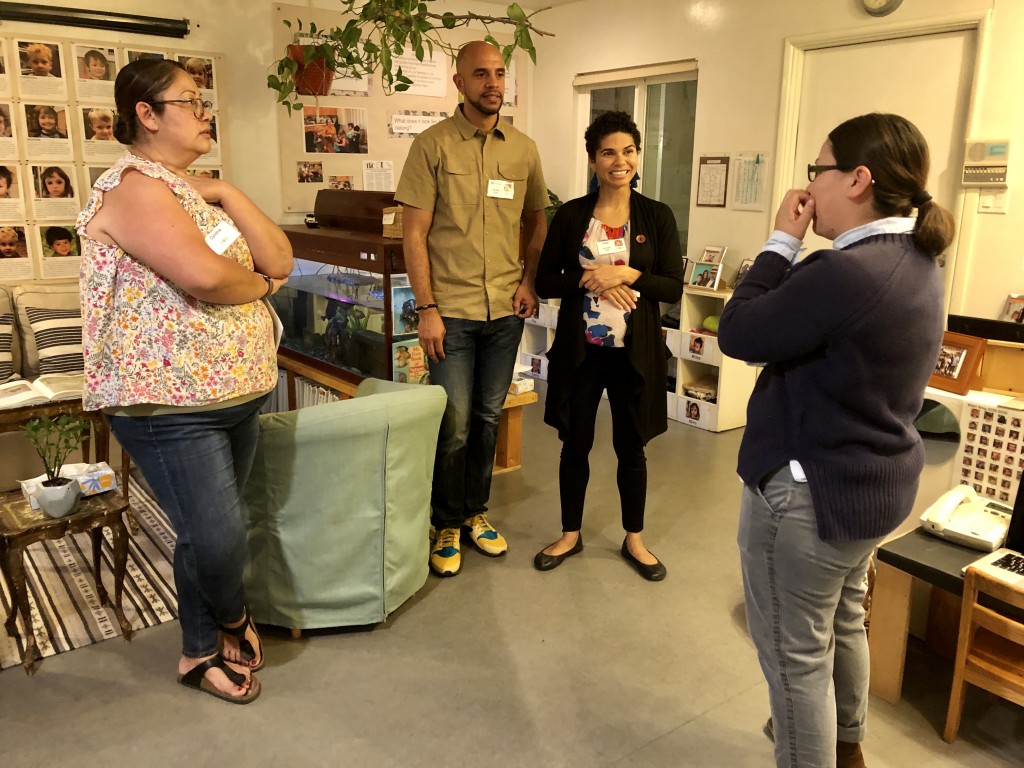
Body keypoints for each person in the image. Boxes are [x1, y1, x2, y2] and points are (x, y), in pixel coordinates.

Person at [717, 113, 955, 768]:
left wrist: (780, 241)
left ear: (857, 180)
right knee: (844, 620)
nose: (809, 185)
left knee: (794, 658)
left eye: (817, 170)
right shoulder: (920, 261)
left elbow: (737, 332)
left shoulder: (844, 273)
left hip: (807, 496)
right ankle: (847, 747)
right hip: (869, 491)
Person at [76, 58, 293, 704]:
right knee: (219, 538)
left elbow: (282, 257)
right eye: (190, 102)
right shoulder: (133, 188)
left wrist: (224, 190)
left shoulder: (188, 191)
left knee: (206, 533)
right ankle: (231, 617)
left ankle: (198, 653)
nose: (205, 113)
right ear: (146, 114)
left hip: (236, 392)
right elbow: (206, 277)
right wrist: (261, 288)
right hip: (168, 406)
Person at [395, 40, 547, 577]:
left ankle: (476, 512)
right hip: (451, 311)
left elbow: (537, 221)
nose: (493, 83)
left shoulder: (523, 150)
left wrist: (529, 281)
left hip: (505, 309)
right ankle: (446, 522)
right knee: (455, 423)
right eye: (481, 74)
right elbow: (414, 233)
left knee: (487, 417)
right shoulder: (432, 146)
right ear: (459, 82)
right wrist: (426, 308)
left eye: (500, 73)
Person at [533, 111, 684, 581]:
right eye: (609, 152)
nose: (620, 161)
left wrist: (626, 273)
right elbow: (545, 281)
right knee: (574, 445)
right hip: (582, 353)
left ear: (638, 156)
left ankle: (634, 539)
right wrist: (589, 279)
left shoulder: (657, 215)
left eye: (628, 151)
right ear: (593, 160)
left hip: (634, 356)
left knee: (631, 448)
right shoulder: (572, 215)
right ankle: (570, 534)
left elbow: (672, 286)